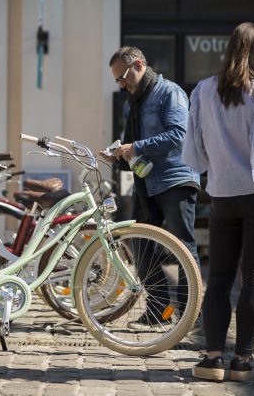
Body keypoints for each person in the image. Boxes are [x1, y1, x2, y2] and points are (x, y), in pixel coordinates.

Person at [183, 22, 254, 382]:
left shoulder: (204, 91)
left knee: (219, 279)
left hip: (223, 195)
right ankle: (242, 361)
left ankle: (212, 358)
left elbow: (193, 148)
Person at [101, 46, 201, 330]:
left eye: (122, 77)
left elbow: (180, 134)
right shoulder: (132, 100)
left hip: (176, 177)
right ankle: (160, 311)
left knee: (183, 246)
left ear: (139, 65)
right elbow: (130, 140)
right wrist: (117, 152)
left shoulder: (170, 92)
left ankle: (190, 314)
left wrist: (138, 147)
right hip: (147, 181)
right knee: (140, 245)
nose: (120, 83)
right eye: (116, 80)